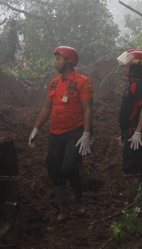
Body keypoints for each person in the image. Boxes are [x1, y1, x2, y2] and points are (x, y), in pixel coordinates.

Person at [28, 46, 93, 220]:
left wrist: (86, 134)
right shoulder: (54, 83)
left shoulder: (82, 82)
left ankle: (79, 199)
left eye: (58, 59)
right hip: (55, 133)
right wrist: (36, 128)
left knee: (69, 167)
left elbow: (87, 110)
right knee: (55, 171)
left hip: (74, 131)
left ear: (69, 62)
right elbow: (47, 107)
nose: (55, 62)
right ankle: (64, 208)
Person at [117, 49, 142, 202]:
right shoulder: (131, 84)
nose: (125, 68)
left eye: (128, 65)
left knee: (132, 164)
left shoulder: (141, 86)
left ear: (136, 68)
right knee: (130, 162)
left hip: (133, 131)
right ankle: (135, 197)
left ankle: (136, 201)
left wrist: (137, 132)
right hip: (129, 130)